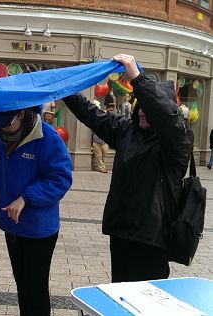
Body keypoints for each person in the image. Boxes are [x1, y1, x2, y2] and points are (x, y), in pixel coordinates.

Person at [62, 54, 193, 282]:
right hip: (121, 230)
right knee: (120, 293)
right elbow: (89, 113)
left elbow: (167, 117)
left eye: (148, 108)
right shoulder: (126, 131)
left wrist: (137, 78)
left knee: (146, 299)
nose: (142, 111)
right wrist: (61, 87)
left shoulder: (176, 140)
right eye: (140, 106)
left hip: (151, 236)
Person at [0, 106, 72, 316]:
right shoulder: (2, 136)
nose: (2, 129)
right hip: (11, 223)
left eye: (6, 124)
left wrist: (26, 198)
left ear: (22, 114)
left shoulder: (47, 138)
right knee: (22, 284)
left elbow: (61, 178)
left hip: (38, 229)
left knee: (35, 288)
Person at [91, 101, 109, 173]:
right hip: (96, 141)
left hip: (105, 142)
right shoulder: (95, 122)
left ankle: (102, 166)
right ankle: (101, 168)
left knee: (104, 155)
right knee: (99, 156)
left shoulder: (107, 123)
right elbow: (92, 132)